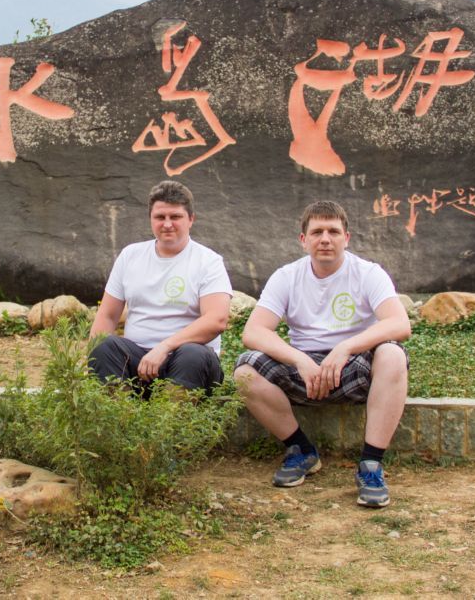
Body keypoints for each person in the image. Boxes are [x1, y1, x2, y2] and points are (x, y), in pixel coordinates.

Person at [234, 200, 411, 508]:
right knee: (245, 373)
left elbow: (399, 323)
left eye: (333, 231)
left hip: (353, 368)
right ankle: (300, 450)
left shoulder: (368, 273)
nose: (325, 239)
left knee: (393, 355)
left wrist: (346, 347)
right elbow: (253, 332)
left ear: (347, 237)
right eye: (317, 232)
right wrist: (299, 359)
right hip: (306, 373)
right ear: (304, 240)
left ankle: (370, 465)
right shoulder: (287, 276)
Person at [88, 180, 232, 394]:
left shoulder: (208, 261)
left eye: (175, 217)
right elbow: (107, 316)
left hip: (188, 363)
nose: (167, 224)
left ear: (191, 219)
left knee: (194, 354)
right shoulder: (130, 256)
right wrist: (91, 362)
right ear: (150, 219)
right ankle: (121, 422)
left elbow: (217, 320)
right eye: (160, 217)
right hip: (138, 360)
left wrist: (164, 347)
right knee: (104, 346)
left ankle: (171, 425)